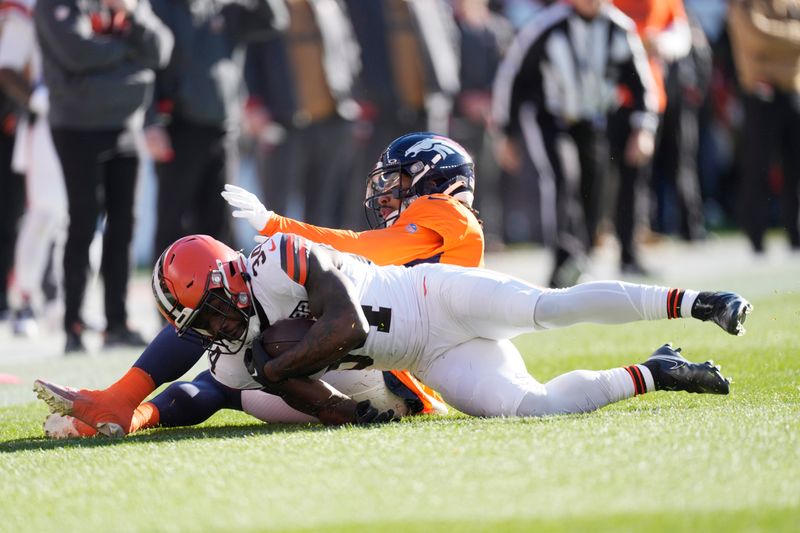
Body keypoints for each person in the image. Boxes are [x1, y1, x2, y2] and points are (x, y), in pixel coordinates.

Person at [35, 132, 481, 436]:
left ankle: (120, 401)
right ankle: (127, 413)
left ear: (434, 181)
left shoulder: (453, 222)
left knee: (230, 312)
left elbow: (366, 248)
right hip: (360, 374)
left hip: (388, 373)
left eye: (397, 179)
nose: (385, 191)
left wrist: (277, 226)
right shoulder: (425, 232)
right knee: (221, 353)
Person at [148, 230, 750, 423]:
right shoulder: (243, 348)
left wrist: (275, 368)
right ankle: (658, 369)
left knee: (550, 308)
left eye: (208, 316)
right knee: (532, 408)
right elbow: (331, 408)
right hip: (427, 358)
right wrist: (348, 413)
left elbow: (348, 325)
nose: (211, 331)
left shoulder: (275, 258)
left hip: (436, 299)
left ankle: (696, 301)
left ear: (226, 282)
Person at [34, 0, 174, 352]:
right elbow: (77, 54)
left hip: (125, 125)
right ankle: (74, 323)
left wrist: (135, 14)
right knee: (83, 222)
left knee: (124, 225)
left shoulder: (128, 4)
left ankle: (117, 321)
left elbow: (160, 50)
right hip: (77, 126)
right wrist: (130, 54)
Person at [491, 0, 658, 287]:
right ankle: (562, 261)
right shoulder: (547, 26)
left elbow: (641, 82)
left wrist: (644, 128)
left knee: (593, 189)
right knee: (563, 179)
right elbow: (514, 77)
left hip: (593, 121)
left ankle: (583, 258)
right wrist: (505, 133)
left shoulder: (619, 27)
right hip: (552, 119)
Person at [146, 0, 288, 260]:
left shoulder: (225, 7)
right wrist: (150, 122)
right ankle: (166, 294)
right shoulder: (160, 7)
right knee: (172, 221)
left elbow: (273, 21)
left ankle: (219, 296)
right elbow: (147, 62)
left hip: (223, 129)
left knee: (220, 224)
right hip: (178, 127)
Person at [0, 0, 67, 337]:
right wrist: (38, 96)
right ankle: (24, 298)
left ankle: (65, 303)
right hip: (44, 125)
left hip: (86, 118)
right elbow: (7, 67)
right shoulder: (28, 10)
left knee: (81, 217)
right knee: (43, 213)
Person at [728, 0, 800, 253]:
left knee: (796, 167)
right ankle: (756, 236)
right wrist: (791, 42)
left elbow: (768, 40)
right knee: (759, 166)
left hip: (793, 90)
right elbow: (756, 39)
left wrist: (775, 44)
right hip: (761, 92)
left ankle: (796, 234)